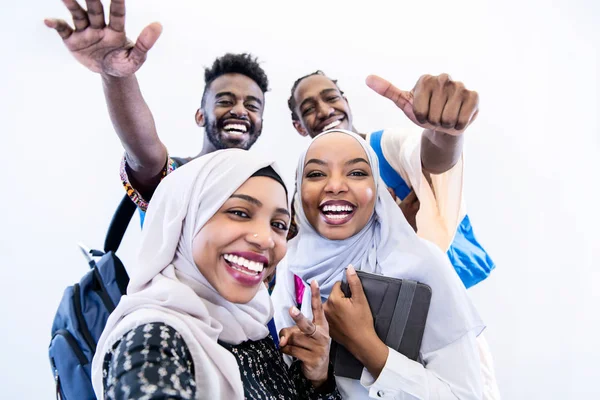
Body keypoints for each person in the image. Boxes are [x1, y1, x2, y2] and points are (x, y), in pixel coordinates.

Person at [91, 149, 341, 399]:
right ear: (186, 219)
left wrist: (316, 377)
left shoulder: (251, 323)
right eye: (240, 213)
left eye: (278, 225)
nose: (265, 239)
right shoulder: (152, 344)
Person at [273, 130, 485, 399]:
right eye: (315, 174)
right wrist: (317, 376)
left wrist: (366, 345)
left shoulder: (420, 263)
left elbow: (465, 395)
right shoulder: (291, 265)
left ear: (378, 190)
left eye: (357, 173)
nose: (335, 185)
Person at [44, 0, 270, 222]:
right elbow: (146, 154)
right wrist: (115, 75)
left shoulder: (270, 189)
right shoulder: (173, 176)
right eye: (225, 101)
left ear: (260, 122)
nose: (240, 110)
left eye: (252, 106)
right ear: (200, 116)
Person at [287, 71, 495, 288]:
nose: (325, 111)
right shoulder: (306, 198)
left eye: (331, 98)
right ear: (300, 126)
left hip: (436, 294)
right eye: (309, 109)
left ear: (346, 102)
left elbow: (432, 157)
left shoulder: (385, 146)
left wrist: (445, 133)